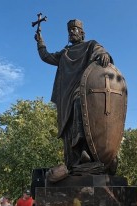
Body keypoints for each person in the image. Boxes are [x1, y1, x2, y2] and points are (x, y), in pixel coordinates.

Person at [35, 19, 113, 169]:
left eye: (75, 30)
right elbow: (47, 57)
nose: (71, 32)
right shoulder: (65, 53)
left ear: (82, 33)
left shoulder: (90, 45)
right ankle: (74, 162)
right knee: (68, 127)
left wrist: (104, 55)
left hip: (83, 89)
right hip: (65, 95)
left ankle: (84, 148)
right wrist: (40, 42)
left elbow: (100, 51)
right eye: (69, 31)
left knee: (79, 104)